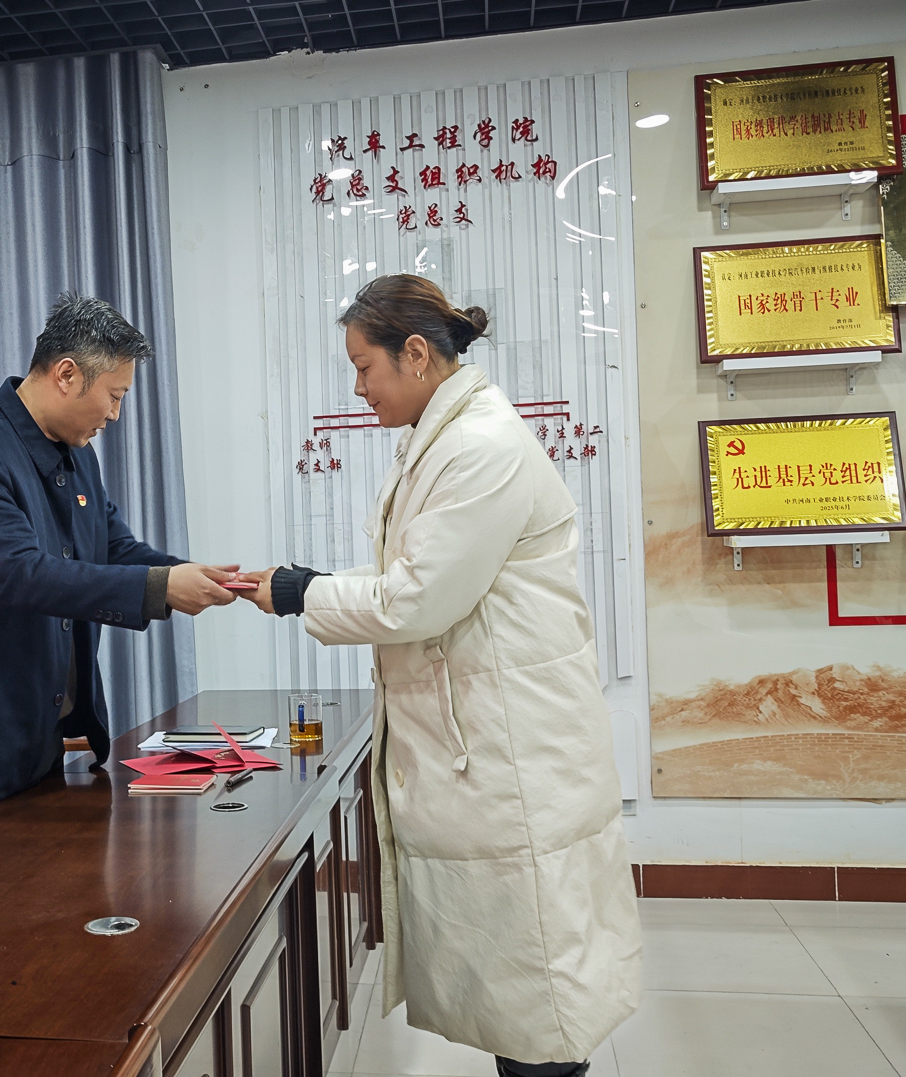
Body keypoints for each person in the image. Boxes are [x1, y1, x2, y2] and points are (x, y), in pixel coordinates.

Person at [237, 275, 641, 1077]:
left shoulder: (479, 446)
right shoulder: (443, 438)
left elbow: (414, 601)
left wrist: (298, 593)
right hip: (491, 737)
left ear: (415, 354)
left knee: (539, 987)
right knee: (521, 983)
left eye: (364, 367)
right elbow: (412, 573)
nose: (358, 388)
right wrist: (303, 582)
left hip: (513, 747)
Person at [0, 293, 238, 820]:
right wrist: (159, 588)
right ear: (67, 374)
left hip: (37, 726)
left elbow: (111, 547)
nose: (115, 415)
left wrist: (186, 574)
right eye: (114, 396)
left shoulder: (77, 454)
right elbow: (20, 575)